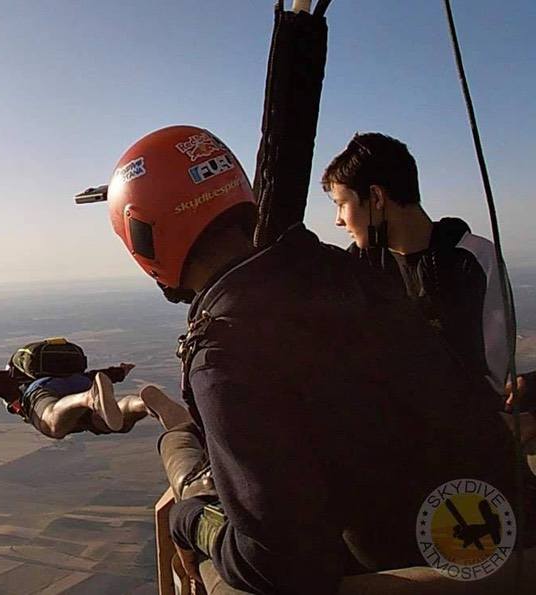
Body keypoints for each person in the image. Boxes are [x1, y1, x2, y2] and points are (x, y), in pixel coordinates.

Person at [104, 125, 532, 593]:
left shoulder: (226, 352)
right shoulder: (346, 271)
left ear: (144, 235)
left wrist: (190, 520)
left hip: (449, 561)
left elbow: (275, 561)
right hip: (508, 519)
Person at [323, 132, 535, 442]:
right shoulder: (357, 267)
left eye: (341, 204)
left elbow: (486, 376)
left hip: (462, 438)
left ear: (377, 197)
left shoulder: (470, 258)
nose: (338, 221)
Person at [0, 344, 190, 439]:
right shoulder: (78, 375)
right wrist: (120, 372)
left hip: (56, 394)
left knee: (51, 422)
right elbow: (103, 375)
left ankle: (89, 400)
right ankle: (143, 404)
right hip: (84, 385)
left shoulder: (11, 382)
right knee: (110, 421)